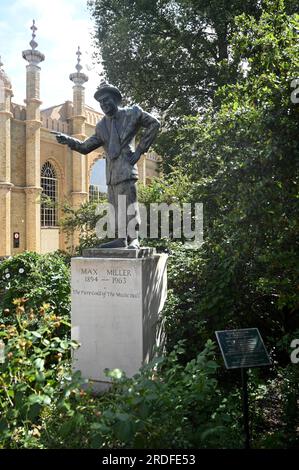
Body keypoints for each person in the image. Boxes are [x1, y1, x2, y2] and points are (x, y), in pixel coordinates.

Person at [55, 81, 160, 248]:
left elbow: (154, 124)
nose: (103, 104)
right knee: (115, 207)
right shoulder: (101, 126)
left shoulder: (131, 113)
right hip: (111, 174)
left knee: (129, 205)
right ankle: (120, 239)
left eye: (106, 100)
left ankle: (134, 239)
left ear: (115, 99)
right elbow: (85, 147)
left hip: (126, 170)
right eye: (100, 102)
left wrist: (140, 151)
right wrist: (68, 140)